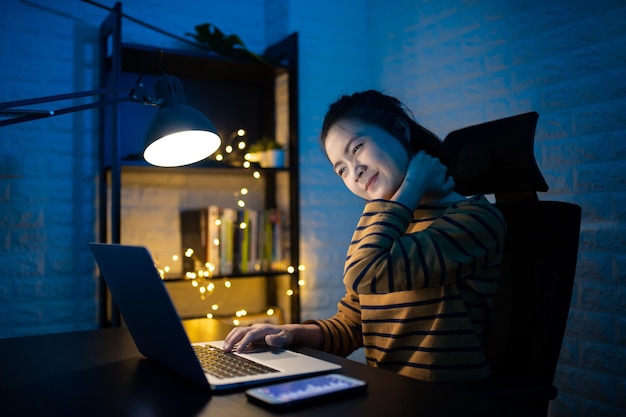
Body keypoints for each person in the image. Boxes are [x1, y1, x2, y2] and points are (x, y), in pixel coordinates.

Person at [224, 90, 506, 383]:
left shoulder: (474, 219)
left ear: (400, 130)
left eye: (357, 147)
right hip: (387, 395)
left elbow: (364, 273)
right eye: (341, 169)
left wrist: (410, 187)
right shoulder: (389, 227)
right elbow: (352, 325)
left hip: (441, 401)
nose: (354, 172)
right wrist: (290, 332)